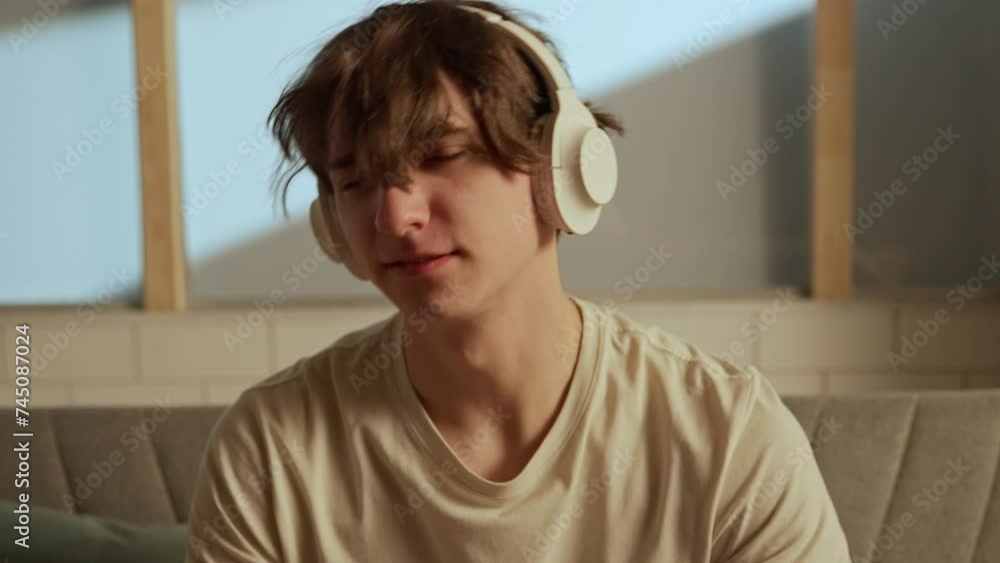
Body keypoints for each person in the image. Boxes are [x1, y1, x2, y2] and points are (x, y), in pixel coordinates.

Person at [185, 1, 852, 561]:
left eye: (442, 156)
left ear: (560, 167)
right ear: (331, 222)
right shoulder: (269, 452)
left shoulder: (728, 436)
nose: (394, 216)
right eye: (355, 181)